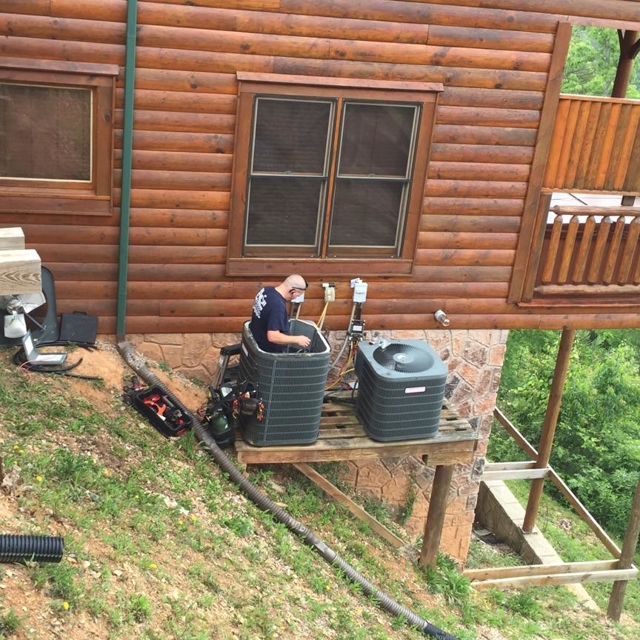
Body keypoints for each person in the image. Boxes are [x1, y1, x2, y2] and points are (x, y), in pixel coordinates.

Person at [249, 275, 312, 353]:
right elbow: (273, 337)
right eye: (297, 295)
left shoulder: (266, 290)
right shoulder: (277, 306)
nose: (295, 298)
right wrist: (297, 339)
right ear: (292, 291)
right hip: (268, 353)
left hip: (256, 338)